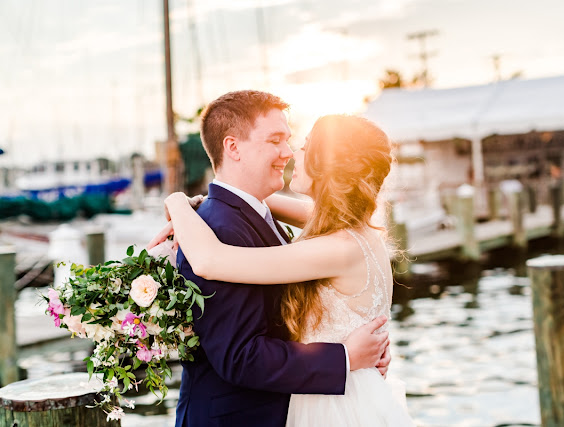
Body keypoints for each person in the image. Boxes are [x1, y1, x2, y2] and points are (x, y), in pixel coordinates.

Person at [151, 109, 414, 426]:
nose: (292, 154)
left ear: (325, 165)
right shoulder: (357, 231)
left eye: (304, 147)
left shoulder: (338, 248)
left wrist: (176, 203)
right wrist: (204, 202)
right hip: (355, 391)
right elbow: (255, 201)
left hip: (335, 405)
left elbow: (209, 260)